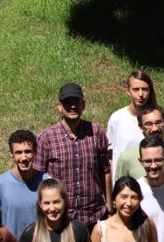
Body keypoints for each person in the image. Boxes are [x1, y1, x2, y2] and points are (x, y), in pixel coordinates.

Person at [34, 82, 111, 230]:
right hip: (61, 218)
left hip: (93, 216)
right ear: (59, 106)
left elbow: (105, 170)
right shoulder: (46, 139)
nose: (73, 106)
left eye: (76, 102)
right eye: (68, 102)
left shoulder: (96, 133)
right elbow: (38, 179)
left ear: (83, 104)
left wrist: (109, 204)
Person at [108, 71, 164, 176]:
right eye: (136, 89)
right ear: (128, 91)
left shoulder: (162, 118)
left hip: (155, 180)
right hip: (126, 182)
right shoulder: (117, 118)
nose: (141, 94)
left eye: (145, 89)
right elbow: (110, 155)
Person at [115, 104, 164, 181]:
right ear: (141, 127)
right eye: (148, 124)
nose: (154, 129)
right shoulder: (126, 158)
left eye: (159, 123)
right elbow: (119, 190)